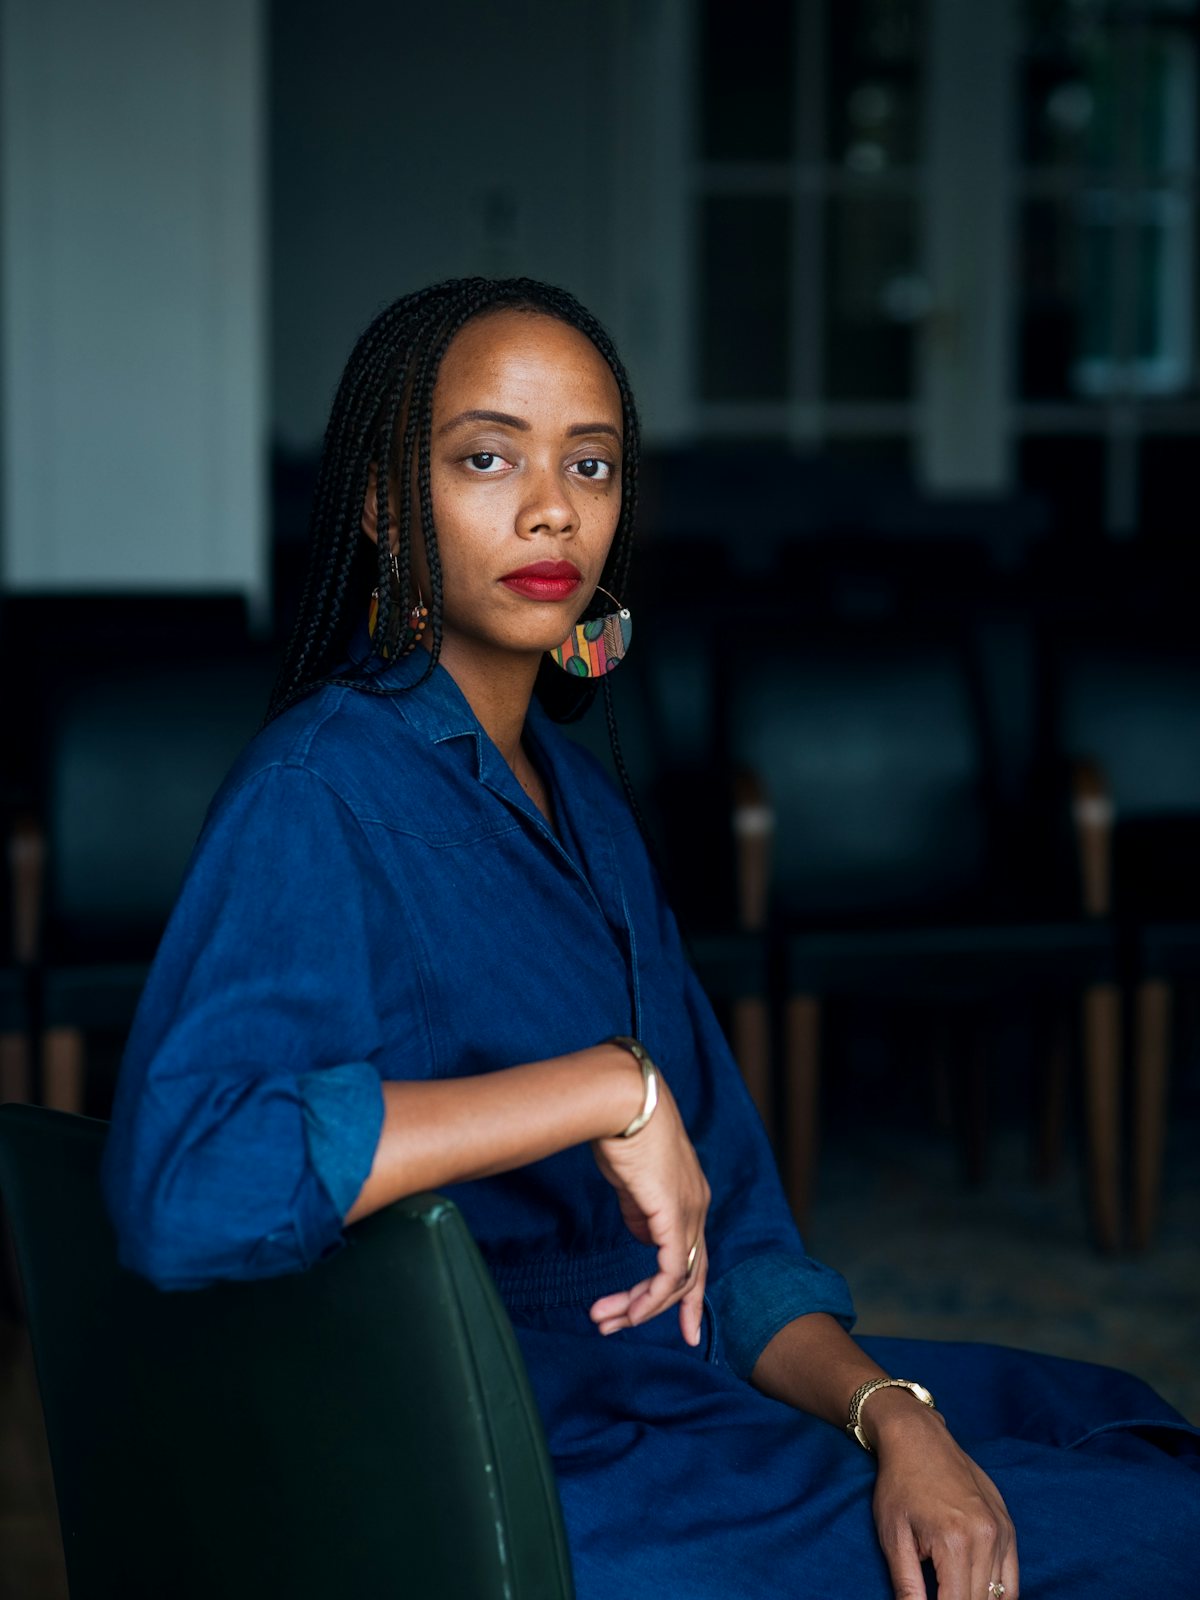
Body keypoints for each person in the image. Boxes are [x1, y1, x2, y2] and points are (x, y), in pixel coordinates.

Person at [104, 277, 1199, 1600]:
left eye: (592, 463)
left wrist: (892, 1419)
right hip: (511, 1464)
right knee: (1158, 1528)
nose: (552, 508)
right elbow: (184, 1189)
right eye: (488, 458)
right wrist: (603, 1089)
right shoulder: (319, 789)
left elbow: (737, 1245)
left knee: (1121, 1426)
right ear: (388, 506)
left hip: (676, 1388)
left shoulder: (591, 810)